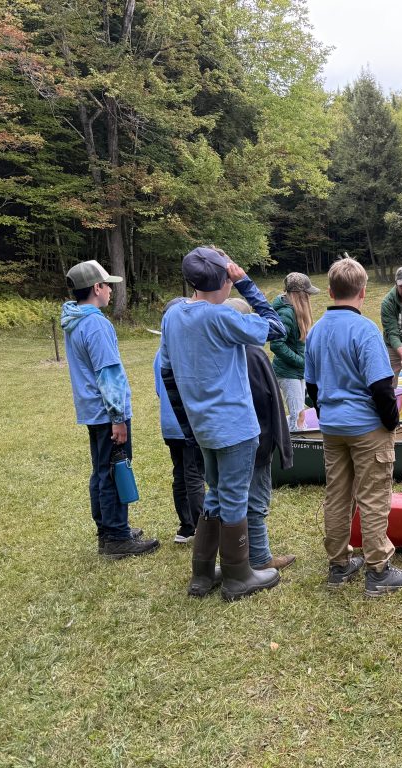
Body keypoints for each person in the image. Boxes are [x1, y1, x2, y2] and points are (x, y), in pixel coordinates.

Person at [159, 246, 286, 601]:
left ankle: (202, 574)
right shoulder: (220, 317)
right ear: (226, 278)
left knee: (215, 493)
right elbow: (276, 327)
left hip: (201, 428)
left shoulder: (174, 316)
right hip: (235, 426)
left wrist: (188, 424)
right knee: (233, 497)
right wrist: (247, 283)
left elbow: (168, 371)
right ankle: (238, 575)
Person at [305, 257, 402, 596]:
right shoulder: (366, 330)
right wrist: (391, 423)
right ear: (363, 292)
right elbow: (382, 387)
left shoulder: (316, 331)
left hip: (333, 427)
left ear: (329, 291)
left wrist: (327, 415)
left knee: (337, 494)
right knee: (372, 497)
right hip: (366, 428)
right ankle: (379, 570)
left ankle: (339, 564)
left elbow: (312, 387)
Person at [61, 259, 159, 559]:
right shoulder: (96, 324)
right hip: (107, 413)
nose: (111, 292)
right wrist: (118, 418)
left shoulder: (74, 319)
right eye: (107, 286)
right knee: (115, 471)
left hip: (92, 411)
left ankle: (109, 530)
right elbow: (108, 373)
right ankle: (116, 538)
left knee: (102, 471)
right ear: (96, 288)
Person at [224, 297, 296, 572]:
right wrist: (277, 442)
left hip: (225, 438)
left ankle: (232, 557)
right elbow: (269, 403)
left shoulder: (216, 353)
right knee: (255, 500)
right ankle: (259, 557)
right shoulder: (253, 354)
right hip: (254, 439)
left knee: (228, 497)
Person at [153, 297, 204, 544]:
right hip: (186, 423)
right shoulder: (183, 350)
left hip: (169, 424)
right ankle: (199, 526)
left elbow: (158, 388)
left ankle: (185, 526)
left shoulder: (158, 354)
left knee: (180, 474)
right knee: (194, 474)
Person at [271, 272, 320, 431]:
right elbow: (277, 345)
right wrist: (301, 361)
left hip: (298, 371)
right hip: (287, 373)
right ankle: (294, 449)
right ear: (299, 295)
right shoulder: (286, 314)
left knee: (301, 413)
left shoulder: (294, 312)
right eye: (307, 294)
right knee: (297, 415)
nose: (309, 298)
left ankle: (301, 434)